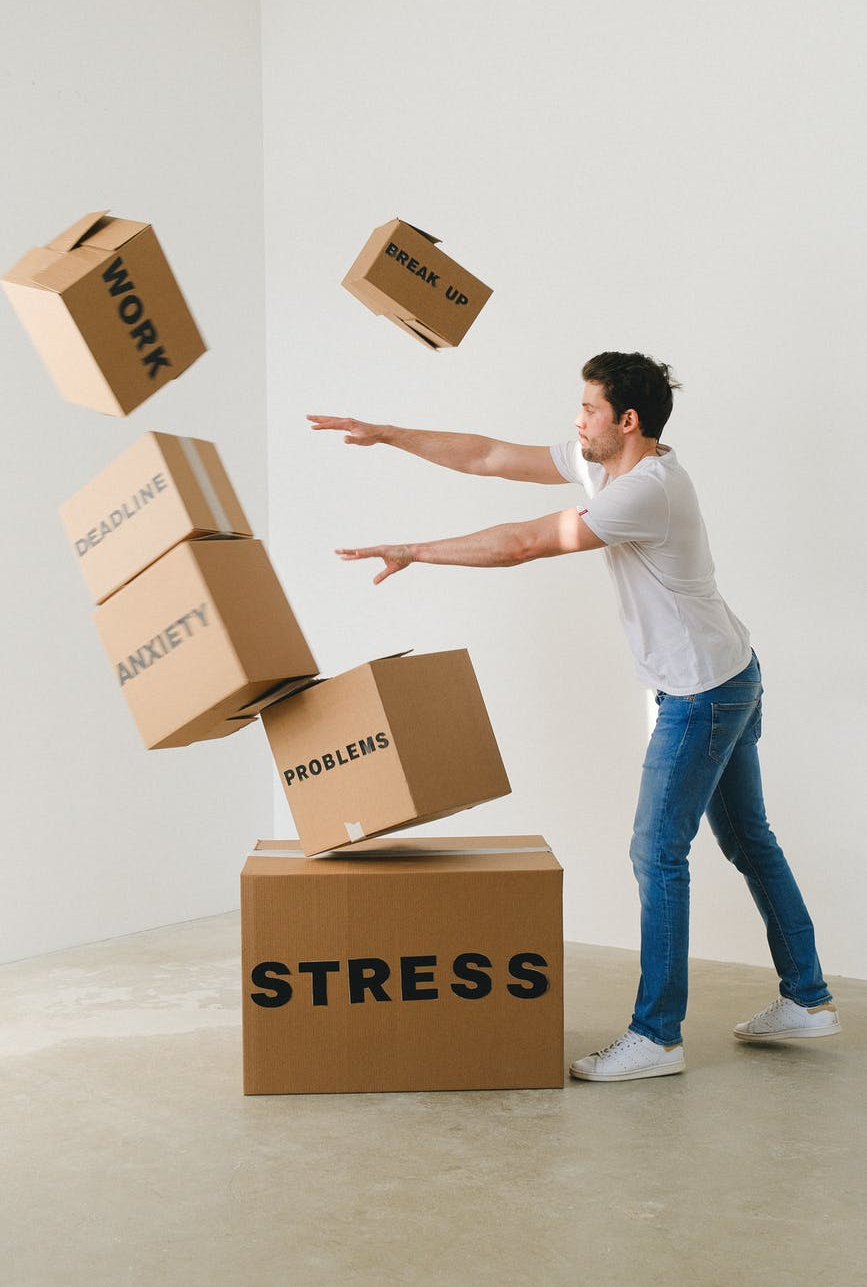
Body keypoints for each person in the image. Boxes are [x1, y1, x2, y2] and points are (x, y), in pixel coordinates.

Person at [308, 350, 839, 1082]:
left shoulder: (643, 491)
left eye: (587, 408)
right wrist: (388, 431)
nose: (575, 419)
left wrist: (414, 551)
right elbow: (489, 455)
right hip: (728, 672)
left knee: (656, 853)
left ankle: (656, 1036)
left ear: (626, 421)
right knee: (748, 839)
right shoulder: (610, 467)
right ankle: (807, 998)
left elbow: (525, 543)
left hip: (699, 696)